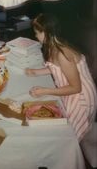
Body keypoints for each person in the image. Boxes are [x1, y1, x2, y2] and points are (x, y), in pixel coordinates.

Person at [25, 13, 97, 142]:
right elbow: (57, 69)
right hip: (71, 90)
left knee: (68, 137)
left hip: (80, 99)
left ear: (46, 33)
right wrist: (36, 72)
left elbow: (76, 88)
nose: (36, 36)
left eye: (37, 33)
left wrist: (45, 91)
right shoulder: (54, 46)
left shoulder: (62, 54)